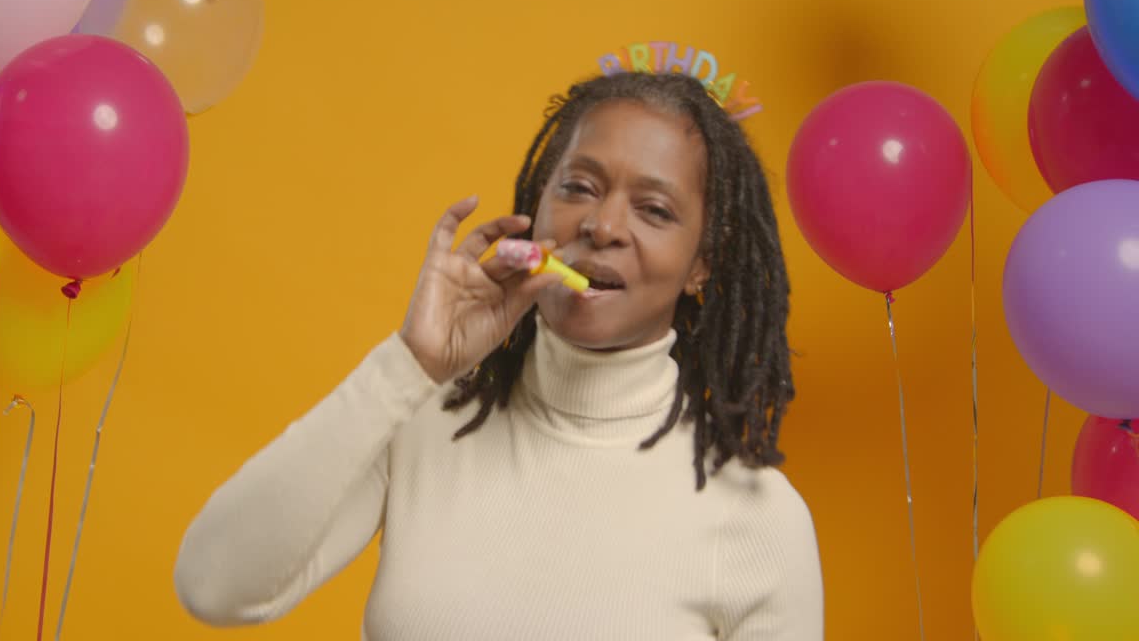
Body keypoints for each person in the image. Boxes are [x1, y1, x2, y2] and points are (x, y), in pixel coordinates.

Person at [173, 71, 824, 639]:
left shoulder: (755, 516)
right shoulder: (423, 420)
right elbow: (216, 586)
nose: (602, 226)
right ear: (537, 207)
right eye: (578, 187)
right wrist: (411, 366)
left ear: (701, 264)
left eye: (653, 209)